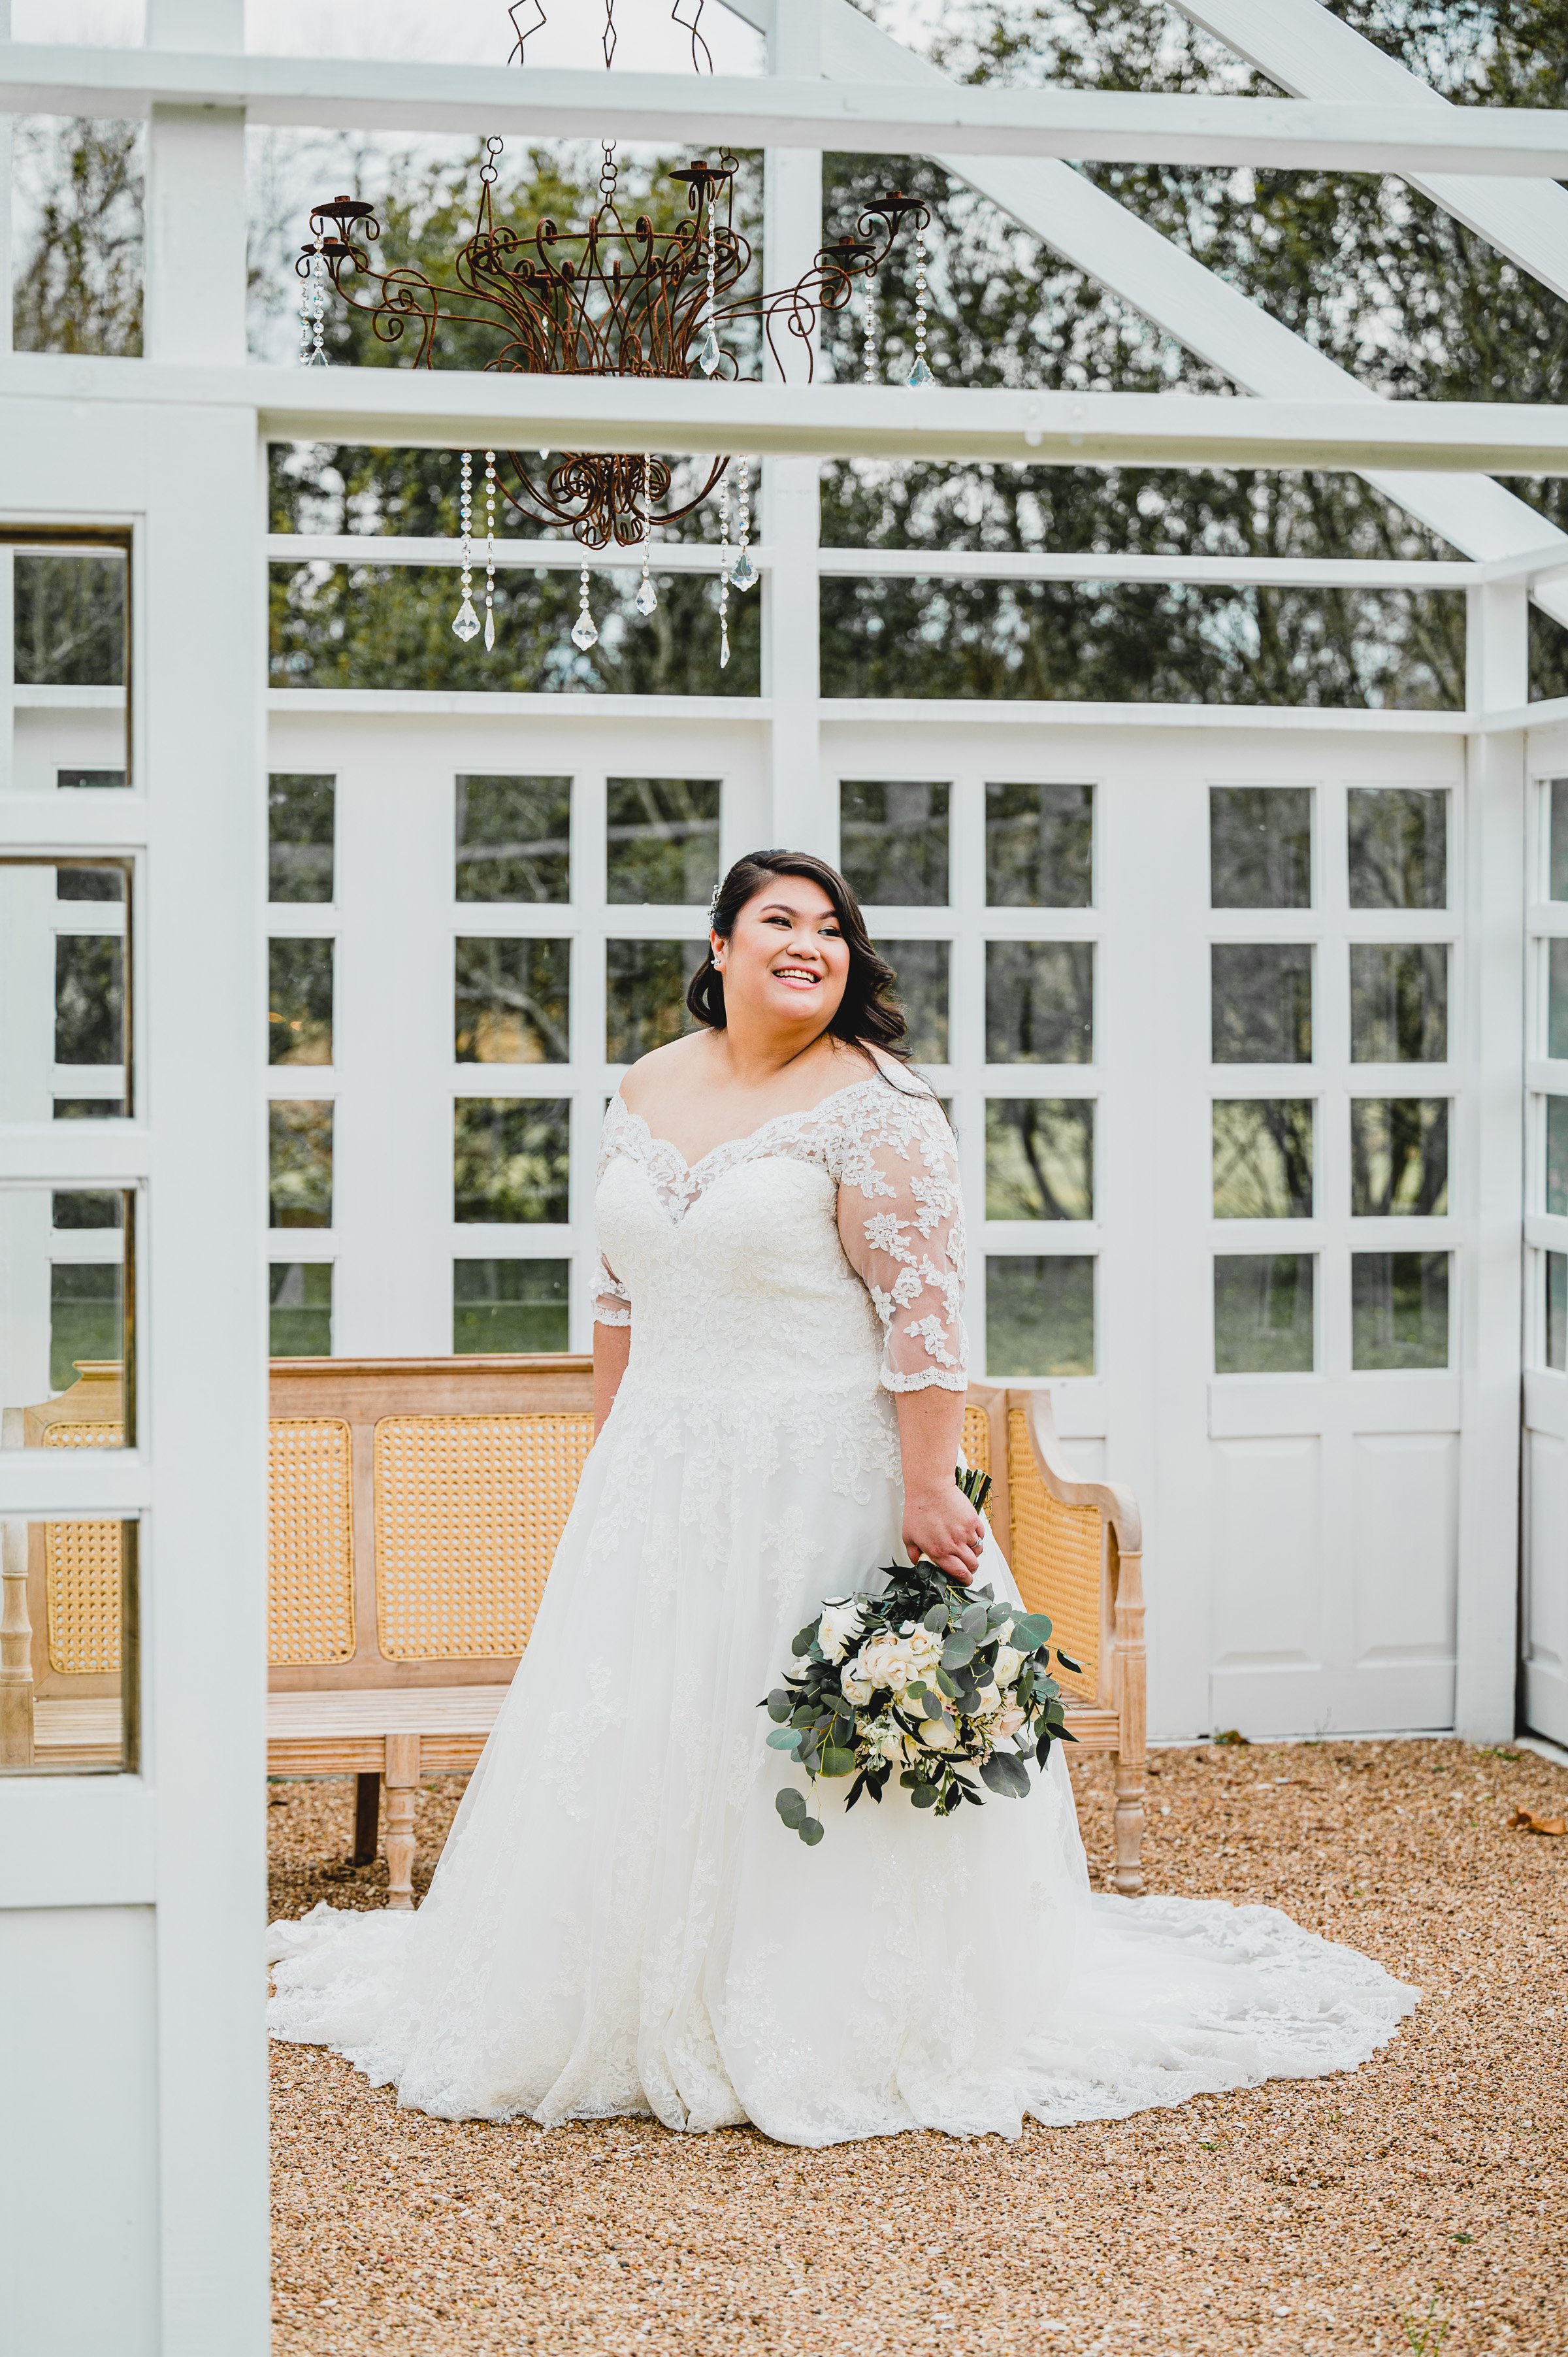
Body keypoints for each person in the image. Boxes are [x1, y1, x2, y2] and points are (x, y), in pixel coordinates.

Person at [269, 848, 1415, 2145]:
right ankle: (630, 1993)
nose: (809, 944)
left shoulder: (879, 1108)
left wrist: (929, 1486)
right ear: (719, 945)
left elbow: (925, 1316)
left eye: (831, 928)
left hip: (818, 1477)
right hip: (660, 1476)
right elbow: (616, 1296)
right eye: (779, 920)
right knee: (647, 1731)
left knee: (792, 1748)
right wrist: (612, 1459)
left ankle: (826, 2014)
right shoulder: (645, 1086)